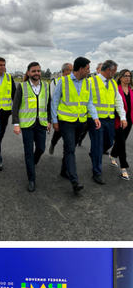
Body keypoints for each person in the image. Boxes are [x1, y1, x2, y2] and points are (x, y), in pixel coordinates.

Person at [52, 56, 100, 194]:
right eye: (88, 68)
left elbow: (89, 102)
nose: (89, 71)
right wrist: (55, 120)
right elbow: (55, 102)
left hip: (80, 122)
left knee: (69, 148)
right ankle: (74, 181)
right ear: (81, 69)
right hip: (66, 121)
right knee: (70, 149)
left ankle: (63, 170)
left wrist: (95, 117)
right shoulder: (63, 81)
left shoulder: (87, 83)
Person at [13, 62, 51, 192]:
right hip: (27, 124)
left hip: (41, 123)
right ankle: (31, 179)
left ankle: (32, 163)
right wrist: (16, 124)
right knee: (28, 151)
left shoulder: (46, 86)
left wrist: (50, 121)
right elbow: (16, 106)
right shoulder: (22, 86)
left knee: (41, 148)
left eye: (38, 71)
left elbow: (49, 105)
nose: (37, 73)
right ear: (28, 72)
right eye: (34, 71)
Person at [89, 60, 128, 184]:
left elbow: (118, 101)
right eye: (115, 70)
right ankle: (97, 172)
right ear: (108, 70)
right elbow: (88, 101)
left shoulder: (112, 83)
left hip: (110, 119)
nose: (116, 73)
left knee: (109, 142)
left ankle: (95, 154)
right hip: (96, 119)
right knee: (98, 144)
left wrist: (123, 117)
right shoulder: (91, 81)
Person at [0, 57, 17, 170]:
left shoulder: (9, 78)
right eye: (0, 65)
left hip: (6, 111)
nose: (3, 67)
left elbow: (14, 95)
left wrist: (16, 110)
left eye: (4, 65)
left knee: (2, 133)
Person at [111, 69, 133, 180]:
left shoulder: (131, 90)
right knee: (122, 143)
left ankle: (112, 155)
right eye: (125, 76)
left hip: (129, 121)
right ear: (120, 77)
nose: (128, 78)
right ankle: (123, 168)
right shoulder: (116, 89)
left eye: (129, 76)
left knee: (121, 141)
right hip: (118, 120)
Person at [49, 63, 74, 155]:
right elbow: (52, 98)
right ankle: (53, 143)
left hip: (71, 113)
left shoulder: (74, 82)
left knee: (68, 137)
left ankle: (66, 155)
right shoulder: (55, 81)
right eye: (72, 70)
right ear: (65, 71)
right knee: (59, 131)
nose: (74, 72)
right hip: (60, 112)